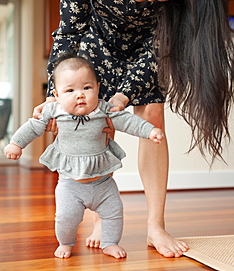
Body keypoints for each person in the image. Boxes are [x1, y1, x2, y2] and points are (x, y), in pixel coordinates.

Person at [33, 0, 234, 258]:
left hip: (148, 49)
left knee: (153, 116)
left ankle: (156, 226)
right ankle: (102, 213)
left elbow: (160, 46)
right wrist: (56, 93)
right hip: (95, 41)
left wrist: (125, 94)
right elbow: (70, 28)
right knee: (100, 121)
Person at [4, 54, 164, 259]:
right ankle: (66, 243)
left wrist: (150, 131)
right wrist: (16, 143)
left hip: (103, 183)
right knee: (65, 218)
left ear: (97, 87)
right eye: (70, 90)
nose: (80, 95)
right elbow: (32, 127)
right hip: (71, 185)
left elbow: (128, 121)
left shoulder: (104, 109)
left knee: (114, 214)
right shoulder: (54, 110)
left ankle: (110, 243)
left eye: (86, 88)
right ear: (57, 94)